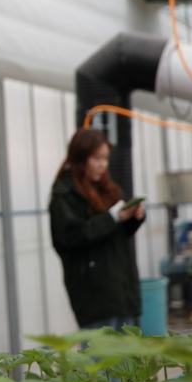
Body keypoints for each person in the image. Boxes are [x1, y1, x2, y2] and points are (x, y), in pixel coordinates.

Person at [49, 128, 146, 332]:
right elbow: (72, 235)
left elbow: (117, 234)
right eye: (96, 158)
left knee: (125, 361)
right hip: (94, 296)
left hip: (121, 290)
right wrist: (114, 217)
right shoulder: (64, 195)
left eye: (105, 158)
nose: (103, 165)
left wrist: (134, 216)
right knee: (98, 360)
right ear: (80, 159)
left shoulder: (108, 189)